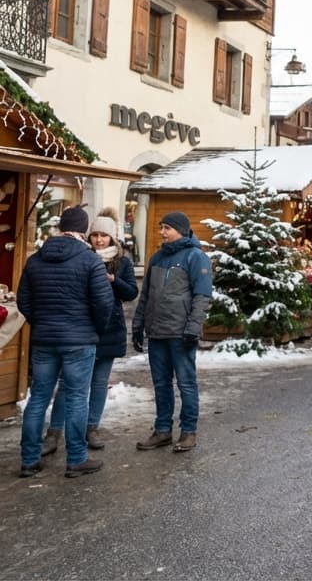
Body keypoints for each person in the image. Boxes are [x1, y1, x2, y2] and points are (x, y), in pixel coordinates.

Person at [17, 205, 113, 478]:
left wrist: (43, 323)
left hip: (44, 340)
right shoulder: (90, 260)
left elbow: (24, 300)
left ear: (61, 228)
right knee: (77, 398)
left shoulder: (35, 260)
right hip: (79, 341)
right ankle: (76, 459)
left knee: (38, 398)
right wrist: (93, 328)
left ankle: (28, 460)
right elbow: (104, 303)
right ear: (83, 230)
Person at [46, 210, 138, 453]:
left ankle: (92, 428)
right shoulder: (81, 256)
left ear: (112, 238)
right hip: (82, 328)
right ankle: (54, 432)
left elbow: (131, 293)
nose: (99, 240)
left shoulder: (123, 262)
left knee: (99, 383)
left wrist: (113, 281)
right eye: (95, 235)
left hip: (110, 328)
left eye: (104, 236)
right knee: (69, 383)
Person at [133, 212, 213, 454]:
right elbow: (145, 296)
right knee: (161, 384)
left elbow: (202, 296)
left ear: (180, 229)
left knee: (186, 384)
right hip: (157, 332)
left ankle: (188, 431)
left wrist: (193, 328)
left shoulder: (196, 257)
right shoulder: (157, 258)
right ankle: (163, 430)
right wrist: (137, 326)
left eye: (167, 228)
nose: (162, 232)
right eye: (161, 227)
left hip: (180, 333)